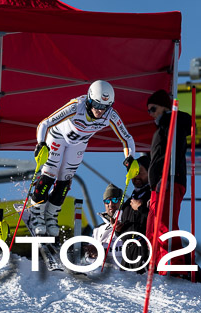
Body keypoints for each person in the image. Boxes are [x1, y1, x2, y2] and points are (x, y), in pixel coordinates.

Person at [30, 80, 135, 237]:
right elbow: (45, 123)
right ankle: (36, 213)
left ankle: (51, 216)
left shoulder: (110, 115)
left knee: (65, 180)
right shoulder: (76, 106)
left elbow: (126, 138)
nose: (100, 111)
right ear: (89, 98)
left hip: (77, 144)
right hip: (58, 137)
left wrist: (130, 158)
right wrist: (41, 144)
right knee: (50, 173)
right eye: (97, 105)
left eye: (105, 107)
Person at [145, 89, 192, 272]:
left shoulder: (173, 123)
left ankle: (173, 267)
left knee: (165, 225)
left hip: (170, 180)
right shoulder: (162, 126)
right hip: (158, 185)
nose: (151, 114)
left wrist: (171, 115)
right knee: (152, 229)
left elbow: (184, 124)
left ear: (164, 106)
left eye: (153, 109)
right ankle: (155, 265)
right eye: (149, 110)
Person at [114, 154, 152, 271]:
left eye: (140, 172)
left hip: (145, 253)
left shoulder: (154, 196)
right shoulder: (127, 204)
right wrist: (118, 230)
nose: (136, 176)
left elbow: (160, 222)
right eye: (133, 173)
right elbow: (127, 233)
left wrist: (141, 208)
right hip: (128, 256)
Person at [85, 183, 123, 262]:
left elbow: (130, 249)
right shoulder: (98, 230)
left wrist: (102, 249)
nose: (111, 204)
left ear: (121, 201)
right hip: (104, 272)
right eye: (107, 201)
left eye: (114, 200)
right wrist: (90, 254)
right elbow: (88, 259)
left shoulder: (128, 222)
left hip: (124, 272)